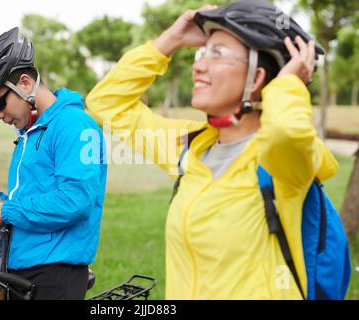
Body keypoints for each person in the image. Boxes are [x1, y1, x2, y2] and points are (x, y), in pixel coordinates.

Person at [86, 0, 338, 299]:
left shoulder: (284, 161)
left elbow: (285, 131)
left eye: (217, 54)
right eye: (203, 51)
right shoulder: (190, 148)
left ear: (257, 78)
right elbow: (106, 103)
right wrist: (170, 41)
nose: (198, 65)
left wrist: (289, 83)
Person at [0, 27, 107, 300]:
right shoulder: (31, 133)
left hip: (54, 274)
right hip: (20, 269)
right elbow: (29, 197)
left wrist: (5, 212)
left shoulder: (75, 126)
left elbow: (75, 200)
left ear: (25, 83)